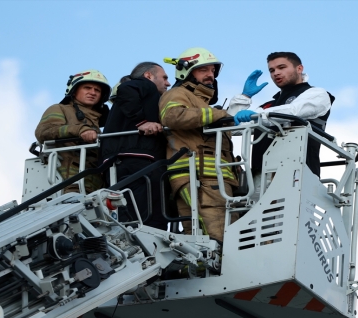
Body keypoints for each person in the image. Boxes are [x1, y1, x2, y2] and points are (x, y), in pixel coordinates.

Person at [159, 47, 238, 242]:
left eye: (212, 71)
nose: (210, 75)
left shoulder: (203, 104)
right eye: (204, 70)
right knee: (220, 237)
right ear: (186, 71)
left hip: (210, 178)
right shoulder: (178, 93)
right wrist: (219, 115)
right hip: (199, 177)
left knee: (198, 240)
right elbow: (172, 116)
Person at [228, 52, 335, 181]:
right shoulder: (268, 107)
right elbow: (232, 129)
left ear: (299, 68)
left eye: (282, 67)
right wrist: (244, 98)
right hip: (260, 177)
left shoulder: (317, 94)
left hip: (297, 175)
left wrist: (258, 116)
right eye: (272, 70)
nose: (276, 73)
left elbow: (294, 111)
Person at [101, 62, 171, 230]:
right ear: (148, 75)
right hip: (133, 159)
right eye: (164, 78)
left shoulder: (148, 96)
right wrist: (142, 122)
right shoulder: (142, 84)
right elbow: (126, 90)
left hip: (138, 160)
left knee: (148, 215)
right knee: (139, 218)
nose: (168, 83)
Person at [35, 69, 111, 194]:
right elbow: (44, 132)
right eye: (87, 88)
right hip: (68, 183)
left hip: (96, 188)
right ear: (74, 91)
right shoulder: (59, 109)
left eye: (97, 90)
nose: (93, 92)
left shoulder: (99, 123)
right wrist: (80, 130)